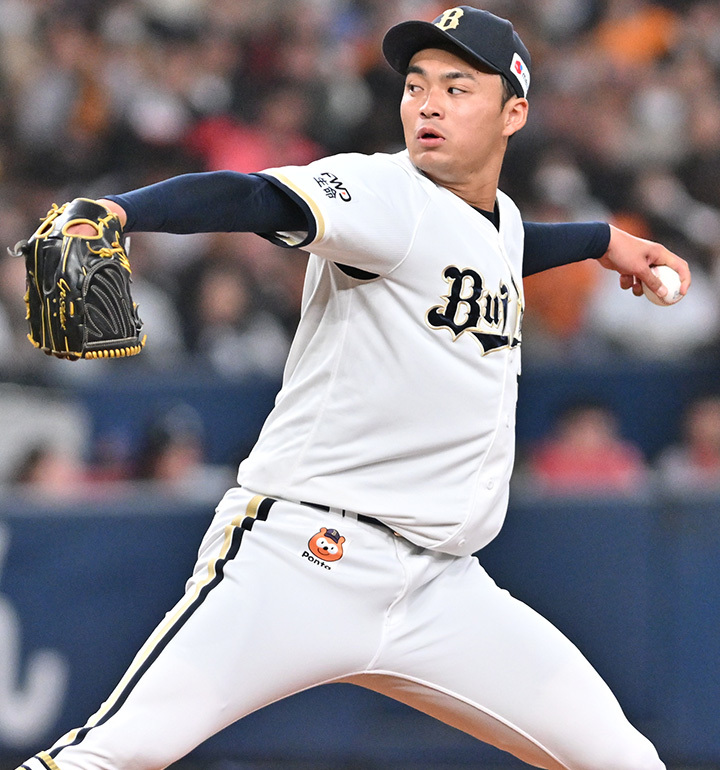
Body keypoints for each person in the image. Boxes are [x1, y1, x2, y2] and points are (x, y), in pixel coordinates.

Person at [18, 7, 690, 770]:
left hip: (443, 589)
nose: (428, 104)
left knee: (625, 760)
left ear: (514, 113)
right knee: (117, 752)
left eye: (457, 88)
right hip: (305, 558)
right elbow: (252, 197)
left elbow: (490, 246)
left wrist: (600, 241)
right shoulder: (381, 191)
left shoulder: (494, 220)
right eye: (416, 85)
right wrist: (123, 211)